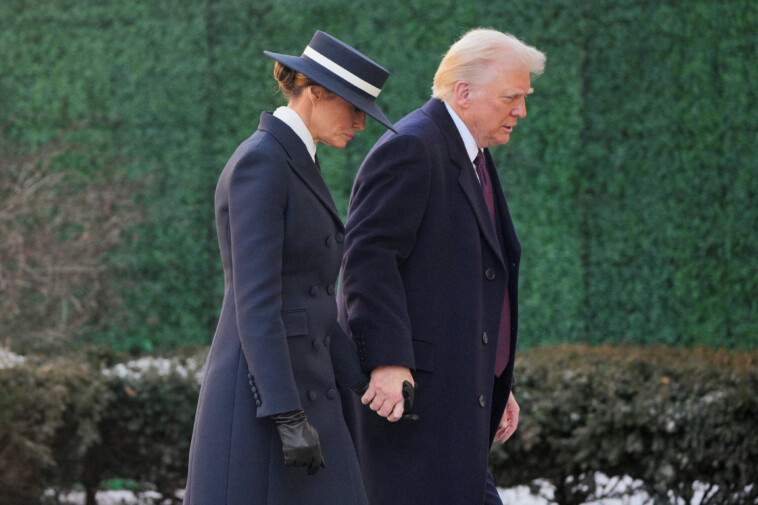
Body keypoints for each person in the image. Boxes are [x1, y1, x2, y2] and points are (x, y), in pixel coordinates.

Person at [183, 30, 395, 505]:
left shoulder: (297, 160)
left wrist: (363, 382)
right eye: (355, 107)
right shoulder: (262, 162)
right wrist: (284, 415)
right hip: (264, 405)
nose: (361, 124)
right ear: (315, 92)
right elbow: (255, 303)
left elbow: (311, 300)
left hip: (308, 395)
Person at [336, 28, 546, 505]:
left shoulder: (472, 153)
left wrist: (493, 376)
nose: (522, 110)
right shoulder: (412, 146)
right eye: (511, 97)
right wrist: (387, 360)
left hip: (454, 402)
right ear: (464, 93)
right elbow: (367, 258)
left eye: (525, 97)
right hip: (414, 411)